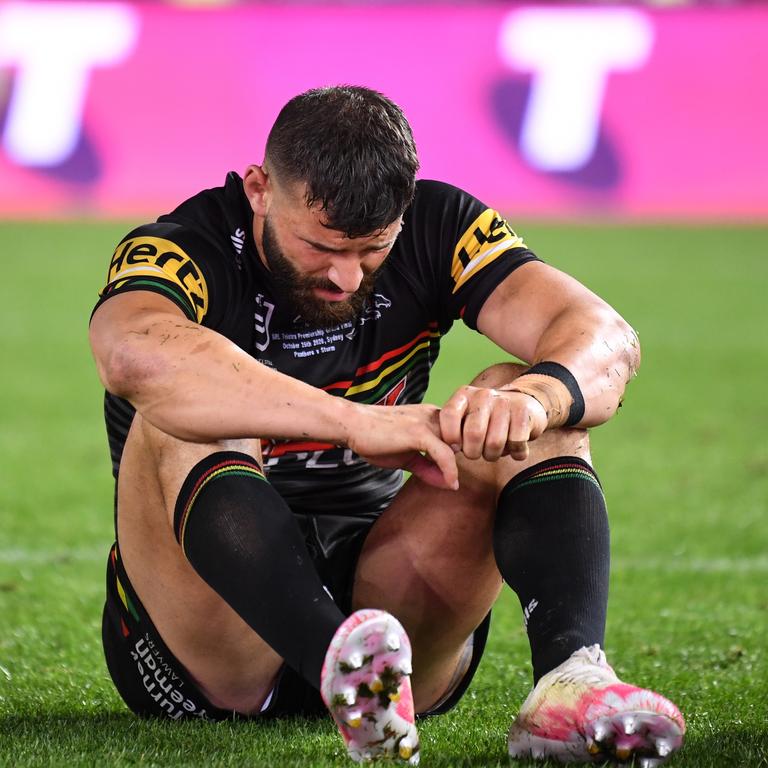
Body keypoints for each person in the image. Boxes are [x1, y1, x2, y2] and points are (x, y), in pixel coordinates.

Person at [89, 85, 685, 766]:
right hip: (211, 644)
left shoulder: (441, 226)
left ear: (403, 213)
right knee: (187, 412)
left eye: (372, 249)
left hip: (396, 615)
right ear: (260, 189)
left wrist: (539, 400)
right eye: (319, 246)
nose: (346, 277)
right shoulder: (182, 246)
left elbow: (606, 336)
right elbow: (130, 351)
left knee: (512, 394)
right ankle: (343, 674)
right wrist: (351, 422)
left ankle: (570, 680)